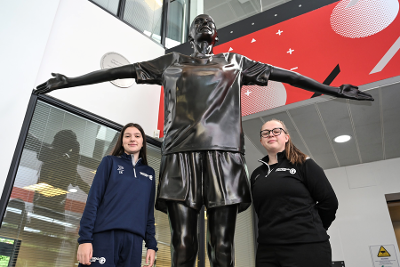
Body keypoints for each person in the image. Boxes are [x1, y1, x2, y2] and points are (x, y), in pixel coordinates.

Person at [36, 14, 372, 267]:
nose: (205, 22)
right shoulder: (170, 62)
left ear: (215, 34)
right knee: (183, 243)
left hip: (224, 158)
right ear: (192, 32)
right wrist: (69, 81)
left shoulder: (235, 62)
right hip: (180, 157)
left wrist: (332, 88)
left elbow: (286, 74)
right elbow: (117, 72)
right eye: (200, 20)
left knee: (222, 244)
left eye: (209, 21)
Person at [251, 119, 338, 267]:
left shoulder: (303, 163)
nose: (271, 134)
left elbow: (329, 202)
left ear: (286, 137)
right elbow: (261, 211)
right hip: (267, 250)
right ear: (261, 141)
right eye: (265, 133)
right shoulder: (256, 174)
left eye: (276, 131)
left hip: (306, 245)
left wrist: (311, 228)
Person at [76, 123, 157, 267]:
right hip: (105, 236)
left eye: (137, 136)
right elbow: (93, 200)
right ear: (122, 141)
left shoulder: (149, 173)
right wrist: (85, 240)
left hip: (134, 242)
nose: (132, 139)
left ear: (143, 142)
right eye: (127, 136)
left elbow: (148, 212)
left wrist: (151, 244)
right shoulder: (109, 162)